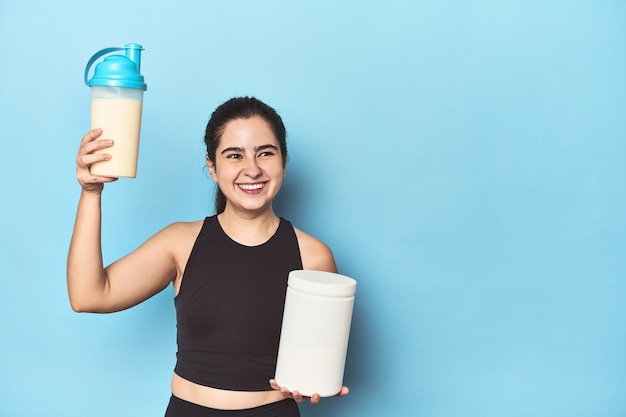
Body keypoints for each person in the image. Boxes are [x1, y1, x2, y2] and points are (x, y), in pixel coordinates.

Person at [67, 96, 349, 417]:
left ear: (283, 162)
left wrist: (313, 384)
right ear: (213, 168)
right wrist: (91, 193)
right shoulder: (180, 243)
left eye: (265, 153)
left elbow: (319, 364)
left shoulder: (313, 256)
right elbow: (88, 295)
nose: (252, 169)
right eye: (234, 155)